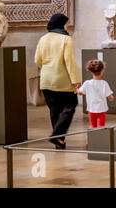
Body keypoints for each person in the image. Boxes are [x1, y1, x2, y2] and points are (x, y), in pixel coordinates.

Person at [34, 13, 80, 149]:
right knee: (70, 106)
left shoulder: (43, 39)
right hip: (62, 81)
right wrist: (76, 80)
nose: (67, 26)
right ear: (61, 24)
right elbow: (69, 62)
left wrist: (48, 69)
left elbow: (37, 60)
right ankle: (56, 135)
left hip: (46, 80)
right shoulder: (66, 39)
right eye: (66, 23)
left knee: (54, 111)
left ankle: (59, 141)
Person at [78, 60, 114, 128]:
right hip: (101, 109)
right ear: (102, 71)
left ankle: (92, 137)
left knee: (92, 125)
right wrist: (111, 97)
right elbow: (110, 97)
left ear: (91, 71)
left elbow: (80, 92)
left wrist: (77, 88)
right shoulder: (104, 83)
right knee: (101, 126)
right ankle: (100, 137)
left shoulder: (87, 83)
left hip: (91, 109)